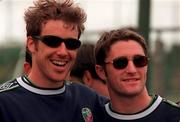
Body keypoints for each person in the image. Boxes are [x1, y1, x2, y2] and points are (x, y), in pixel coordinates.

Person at [0, 0, 107, 121]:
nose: (62, 52)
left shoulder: (88, 99)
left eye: (71, 44)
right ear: (31, 44)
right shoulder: (5, 103)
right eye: (52, 42)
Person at [94, 27, 180, 121]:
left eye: (139, 61)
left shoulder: (175, 116)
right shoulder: (93, 117)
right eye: (120, 62)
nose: (132, 70)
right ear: (101, 71)